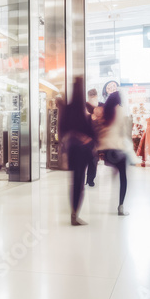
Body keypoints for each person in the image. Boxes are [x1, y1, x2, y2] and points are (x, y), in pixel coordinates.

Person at [61, 78, 96, 225]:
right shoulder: (84, 110)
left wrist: (63, 152)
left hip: (72, 150)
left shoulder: (69, 109)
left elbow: (62, 130)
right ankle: (75, 214)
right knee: (80, 183)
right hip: (84, 150)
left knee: (75, 182)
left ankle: (73, 214)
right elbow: (91, 133)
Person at [97, 91, 131, 216]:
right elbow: (125, 130)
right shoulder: (120, 110)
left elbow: (101, 130)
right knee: (124, 177)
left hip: (107, 150)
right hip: (118, 148)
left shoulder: (105, 112)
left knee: (116, 169)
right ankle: (121, 206)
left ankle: (113, 173)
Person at [86, 89, 102, 186]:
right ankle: (90, 179)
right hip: (94, 137)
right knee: (93, 159)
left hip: (89, 137)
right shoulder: (99, 106)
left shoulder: (86, 106)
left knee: (92, 159)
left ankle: (89, 179)